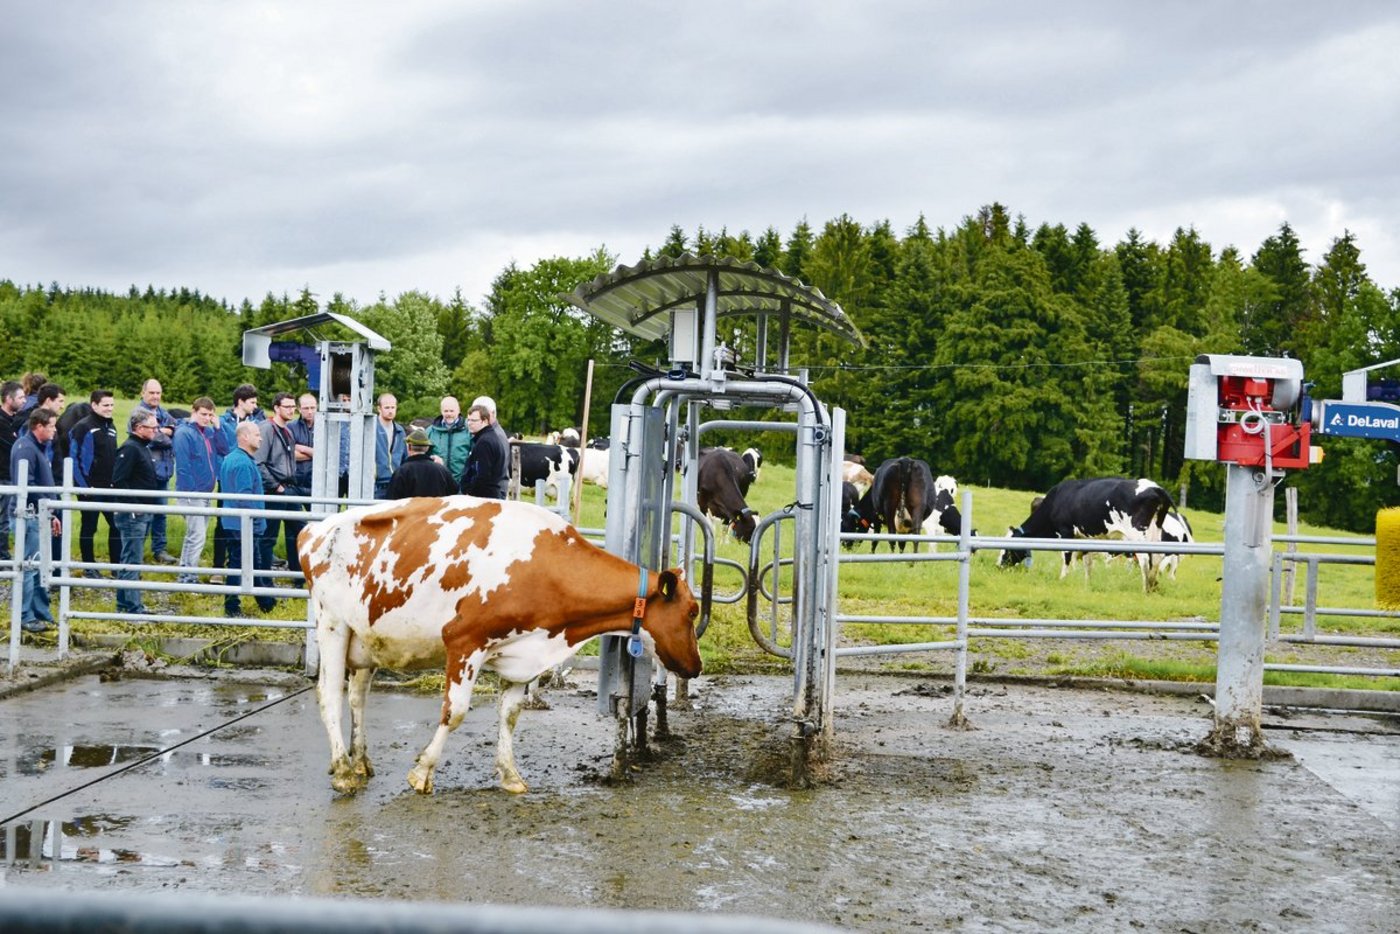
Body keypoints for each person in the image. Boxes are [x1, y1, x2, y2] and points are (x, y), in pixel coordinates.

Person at [10, 409, 62, 632]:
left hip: (40, 514)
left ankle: (40, 611)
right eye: (51, 425)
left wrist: (51, 513)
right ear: (39, 426)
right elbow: (28, 486)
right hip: (30, 515)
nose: (54, 430)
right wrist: (47, 508)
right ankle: (25, 616)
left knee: (40, 565)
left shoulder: (36, 448)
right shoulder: (26, 449)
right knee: (29, 566)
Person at [111, 410, 163, 617]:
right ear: (139, 428)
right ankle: (131, 606)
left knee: (132, 557)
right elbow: (119, 479)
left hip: (141, 512)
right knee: (132, 558)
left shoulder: (141, 448)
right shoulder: (131, 449)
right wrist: (135, 505)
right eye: (152, 427)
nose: (156, 431)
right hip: (134, 514)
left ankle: (126, 603)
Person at [220, 421, 274, 617]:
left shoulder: (232, 458)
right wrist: (257, 521)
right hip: (244, 524)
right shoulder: (243, 463)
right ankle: (232, 607)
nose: (260, 438)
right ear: (244, 437)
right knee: (240, 564)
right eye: (256, 434)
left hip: (235, 522)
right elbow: (245, 498)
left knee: (248, 563)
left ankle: (267, 603)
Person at [173, 397, 225, 583]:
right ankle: (188, 577)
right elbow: (183, 465)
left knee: (193, 535)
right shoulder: (184, 433)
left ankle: (185, 573)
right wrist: (191, 491)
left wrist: (218, 427)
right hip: (192, 493)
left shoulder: (209, 432)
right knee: (197, 536)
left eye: (210, 415)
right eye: (203, 414)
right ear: (193, 412)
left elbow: (223, 449)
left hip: (205, 492)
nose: (206, 418)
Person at [70, 391, 121, 579]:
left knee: (116, 525)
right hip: (90, 487)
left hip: (110, 486)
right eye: (105, 405)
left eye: (111, 405)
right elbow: (74, 459)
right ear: (94, 405)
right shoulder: (83, 427)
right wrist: (84, 487)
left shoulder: (112, 426)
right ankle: (89, 566)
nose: (109, 408)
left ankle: (116, 567)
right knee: (89, 526)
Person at [255, 392, 303, 577]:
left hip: (289, 488)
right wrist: (276, 486)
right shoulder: (267, 429)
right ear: (276, 408)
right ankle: (264, 579)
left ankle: (298, 576)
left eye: (293, 406)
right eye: (287, 406)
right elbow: (259, 462)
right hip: (275, 490)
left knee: (299, 531)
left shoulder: (288, 430)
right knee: (269, 537)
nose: (292, 410)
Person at [215, 384, 261, 574]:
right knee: (224, 520)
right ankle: (218, 566)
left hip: (247, 472)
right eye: (252, 402)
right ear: (240, 402)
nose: (255, 405)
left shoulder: (257, 420)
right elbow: (221, 446)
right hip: (228, 475)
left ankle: (249, 569)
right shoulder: (224, 421)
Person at [133, 379, 179, 565]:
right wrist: (165, 432)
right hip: (146, 473)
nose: (155, 396)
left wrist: (166, 431)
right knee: (144, 513)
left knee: (161, 513)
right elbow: (152, 439)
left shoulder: (163, 413)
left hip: (164, 472)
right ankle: (137, 551)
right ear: (143, 393)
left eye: (158, 393)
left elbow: (177, 429)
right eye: (151, 393)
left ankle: (159, 550)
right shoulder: (138, 414)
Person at [387, 428, 458, 499]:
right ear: (427, 448)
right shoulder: (442, 470)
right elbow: (454, 491)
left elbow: (392, 499)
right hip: (436, 509)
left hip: (411, 510)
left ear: (409, 447)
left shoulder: (401, 472)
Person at [0, 380, 26, 561]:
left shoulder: (10, 421)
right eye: (21, 397)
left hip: (8, 475)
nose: (24, 401)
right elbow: (13, 446)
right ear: (9, 399)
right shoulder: (2, 423)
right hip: (3, 476)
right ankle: (2, 557)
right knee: (4, 519)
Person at [460, 403, 508, 499]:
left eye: (474, 420)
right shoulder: (489, 437)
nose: (469, 423)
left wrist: (471, 493)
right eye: (468, 420)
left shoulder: (484, 443)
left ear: (485, 421)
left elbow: (482, 475)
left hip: (483, 498)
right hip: (490, 495)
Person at [427, 395, 471, 487]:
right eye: (446, 411)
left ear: (458, 411)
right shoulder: (431, 431)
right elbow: (423, 455)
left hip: (461, 484)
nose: (449, 414)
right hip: (438, 482)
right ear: (441, 411)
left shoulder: (468, 430)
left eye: (452, 411)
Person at [373, 393, 405, 499]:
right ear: (379, 409)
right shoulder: (371, 429)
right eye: (387, 407)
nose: (390, 410)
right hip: (376, 484)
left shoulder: (400, 431)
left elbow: (405, 458)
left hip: (396, 482)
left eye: (393, 407)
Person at [288, 393, 317, 496]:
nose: (310, 412)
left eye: (313, 408)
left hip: (317, 483)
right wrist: (315, 454)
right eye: (306, 408)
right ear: (299, 409)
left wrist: (303, 449)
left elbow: (327, 455)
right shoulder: (290, 427)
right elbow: (289, 455)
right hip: (295, 482)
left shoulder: (325, 427)